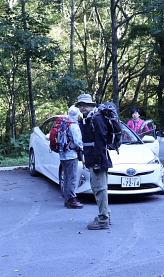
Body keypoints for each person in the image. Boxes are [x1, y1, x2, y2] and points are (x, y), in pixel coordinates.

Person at [75, 94, 112, 229]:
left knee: (99, 189)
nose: (82, 107)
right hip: (94, 158)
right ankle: (105, 214)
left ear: (92, 105)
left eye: (85, 104)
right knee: (100, 188)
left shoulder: (97, 119)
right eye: (80, 105)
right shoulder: (89, 119)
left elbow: (100, 142)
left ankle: (103, 220)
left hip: (99, 159)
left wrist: (96, 162)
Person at [59, 106, 84, 209]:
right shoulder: (74, 126)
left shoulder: (64, 123)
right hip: (72, 155)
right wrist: (82, 152)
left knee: (66, 177)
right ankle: (72, 200)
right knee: (72, 178)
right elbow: (78, 142)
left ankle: (67, 199)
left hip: (63, 154)